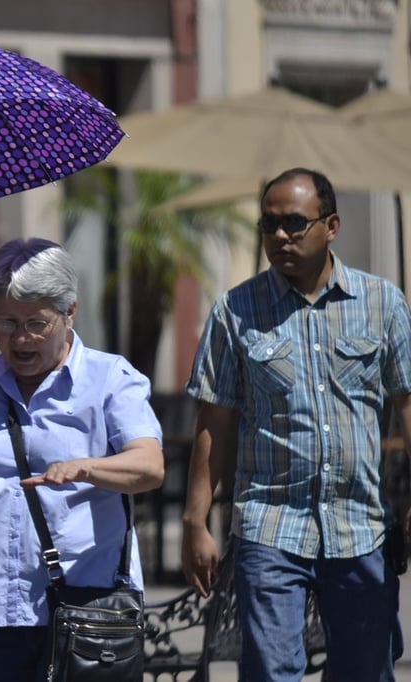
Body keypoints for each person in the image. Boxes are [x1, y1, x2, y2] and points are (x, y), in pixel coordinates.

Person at [0, 237, 165, 681]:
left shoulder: (110, 378)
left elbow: (150, 467)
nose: (19, 339)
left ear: (69, 312)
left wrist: (87, 467)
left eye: (36, 323)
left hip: (90, 612)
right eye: (6, 322)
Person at [181, 167, 411, 681]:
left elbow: (407, 403)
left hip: (362, 526)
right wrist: (195, 521)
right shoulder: (235, 311)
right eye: (268, 225)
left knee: (367, 671)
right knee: (270, 672)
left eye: (293, 223)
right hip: (271, 526)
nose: (279, 235)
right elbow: (214, 421)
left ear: (331, 225)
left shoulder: (382, 304)